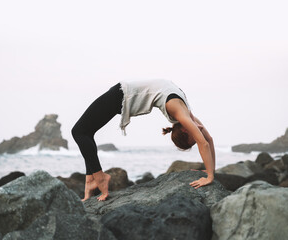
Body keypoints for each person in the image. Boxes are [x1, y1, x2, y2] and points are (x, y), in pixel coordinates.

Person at [71, 79, 215, 202]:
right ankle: (99, 178)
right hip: (121, 94)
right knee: (80, 132)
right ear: (185, 130)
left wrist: (210, 171)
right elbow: (204, 143)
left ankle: (91, 180)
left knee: (83, 132)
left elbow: (209, 139)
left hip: (121, 94)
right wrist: (209, 177)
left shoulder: (186, 115)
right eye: (194, 138)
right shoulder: (179, 111)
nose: (198, 135)